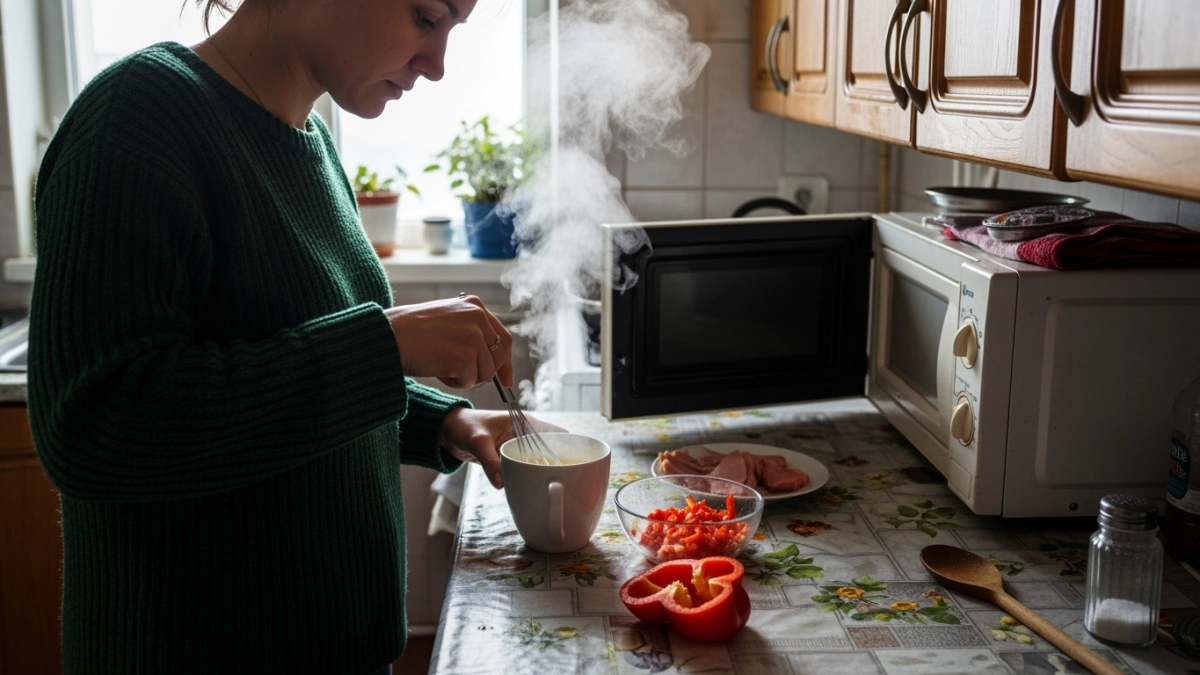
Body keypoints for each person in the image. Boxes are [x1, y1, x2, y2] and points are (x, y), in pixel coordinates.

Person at [27, 0, 539, 672]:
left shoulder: (313, 143)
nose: (438, 64)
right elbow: (93, 425)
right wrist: (384, 344)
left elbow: (289, 378)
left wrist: (446, 422)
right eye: (425, 17)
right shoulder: (136, 118)